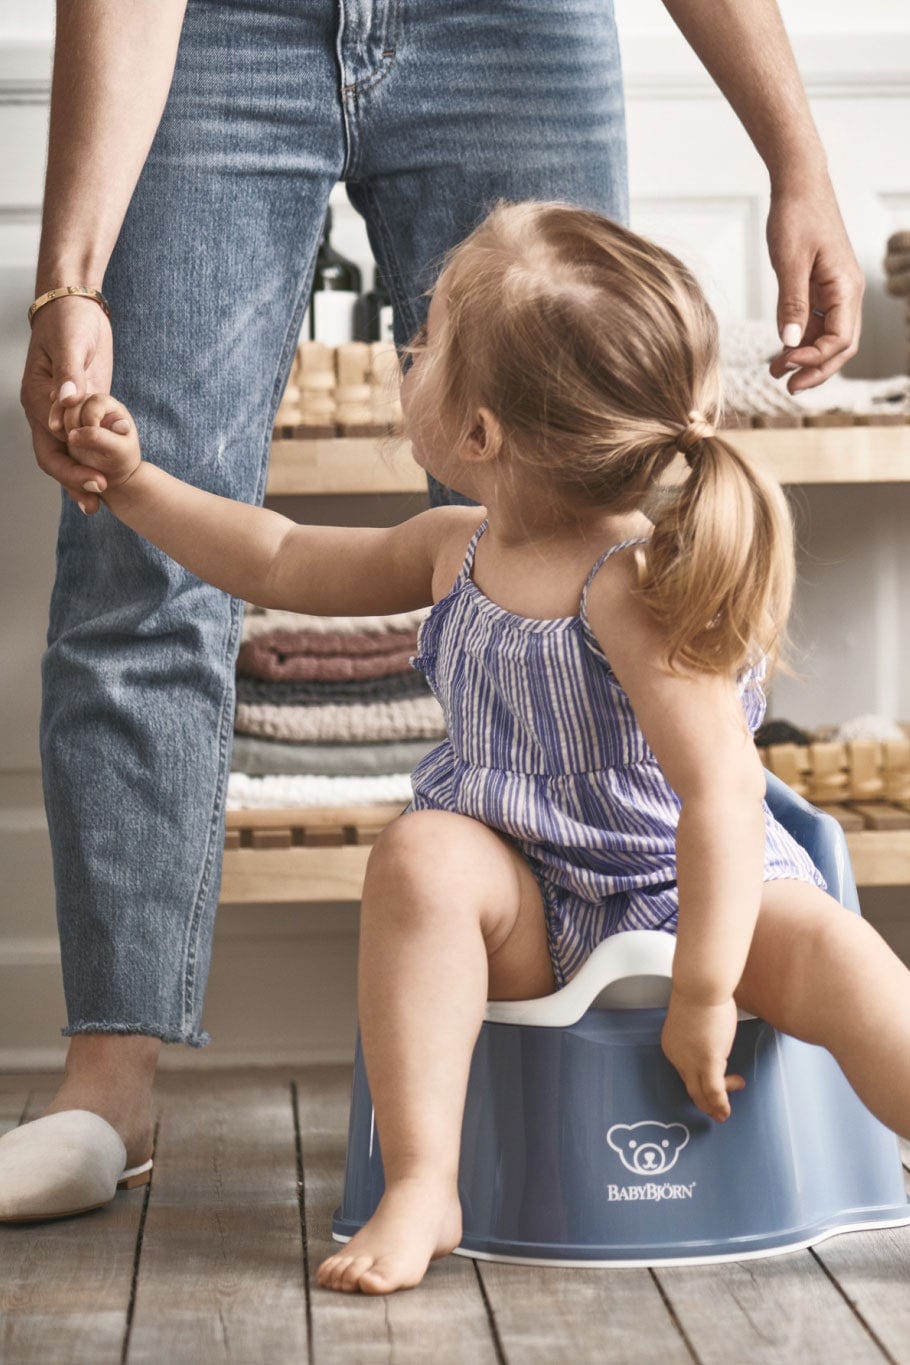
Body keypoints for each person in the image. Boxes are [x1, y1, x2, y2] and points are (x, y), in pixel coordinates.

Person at [13, 0, 863, 1219]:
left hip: (686, 901)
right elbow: (277, 555)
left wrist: (796, 158)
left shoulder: (633, 595)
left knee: (843, 957)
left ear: (471, 430)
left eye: (421, 348)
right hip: (219, 26)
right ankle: (329, 1155)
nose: (404, 351)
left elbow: (721, 798)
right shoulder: (444, 550)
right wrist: (132, 463)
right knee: (169, 617)